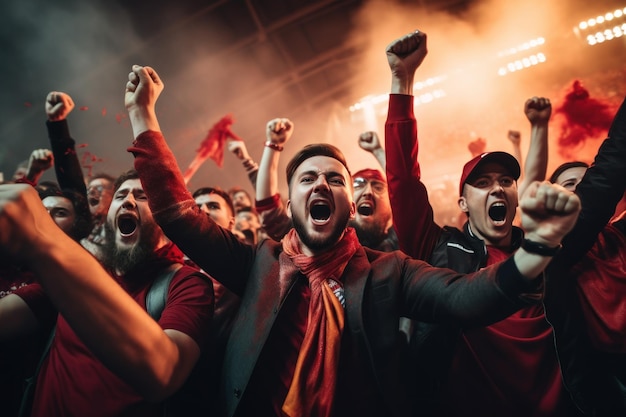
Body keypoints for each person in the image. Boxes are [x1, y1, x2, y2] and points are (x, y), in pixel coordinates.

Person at [125, 63, 580, 417]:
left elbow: (464, 298)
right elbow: (179, 215)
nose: (321, 185)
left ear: (348, 208)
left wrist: (535, 250)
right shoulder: (256, 262)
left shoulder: (389, 270)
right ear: (290, 203)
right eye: (307, 179)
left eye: (334, 180)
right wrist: (142, 115)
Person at [384, 29, 578, 416]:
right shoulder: (437, 248)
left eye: (506, 181)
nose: (498, 189)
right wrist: (402, 80)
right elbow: (403, 179)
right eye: (483, 183)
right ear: (463, 203)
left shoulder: (545, 250)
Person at [0, 170, 214, 417]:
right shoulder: (73, 275)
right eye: (120, 195)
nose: (129, 200)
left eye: (143, 197)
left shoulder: (186, 283)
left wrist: (43, 241)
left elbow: (165, 374)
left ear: (165, 218)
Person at [543, 94, 626, 416]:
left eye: (584, 181)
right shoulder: (555, 253)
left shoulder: (619, 232)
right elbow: (607, 174)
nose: (581, 190)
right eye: (571, 185)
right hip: (608, 382)